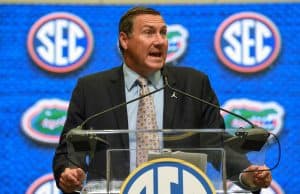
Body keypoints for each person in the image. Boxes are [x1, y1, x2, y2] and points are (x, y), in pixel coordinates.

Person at [53, 6, 272, 194]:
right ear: (124, 40)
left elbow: (216, 144)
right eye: (149, 33)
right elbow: (71, 148)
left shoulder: (194, 84)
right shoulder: (91, 88)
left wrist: (245, 174)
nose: (160, 41)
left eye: (163, 33)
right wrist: (69, 172)